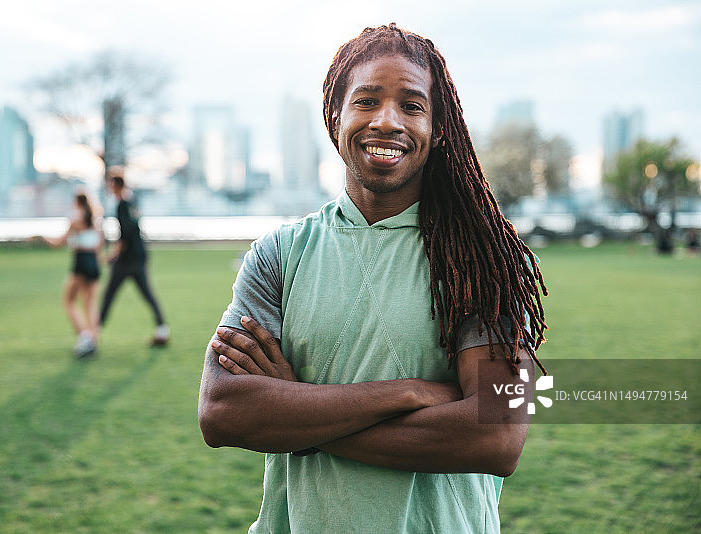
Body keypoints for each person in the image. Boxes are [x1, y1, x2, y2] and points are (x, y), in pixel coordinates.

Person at [198, 23, 549, 532]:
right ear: (334, 115)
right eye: (366, 101)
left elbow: (498, 435)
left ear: (438, 126)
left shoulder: (479, 259)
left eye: (411, 105)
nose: (387, 122)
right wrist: (407, 393)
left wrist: (299, 416)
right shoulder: (277, 255)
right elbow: (222, 411)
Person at [97, 170, 170, 346]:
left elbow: (125, 235)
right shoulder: (132, 201)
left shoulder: (122, 205)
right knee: (147, 294)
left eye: (110, 183)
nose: (108, 187)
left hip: (126, 260)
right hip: (139, 256)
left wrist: (111, 256)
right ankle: (162, 329)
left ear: (116, 184)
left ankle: (93, 333)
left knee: (109, 295)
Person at [37, 192, 104, 358]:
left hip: (81, 261)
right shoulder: (96, 223)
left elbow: (58, 243)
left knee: (68, 300)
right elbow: (99, 245)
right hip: (94, 263)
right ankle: (93, 339)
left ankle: (85, 337)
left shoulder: (75, 222)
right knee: (90, 304)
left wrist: (41, 237)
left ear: (77, 203)